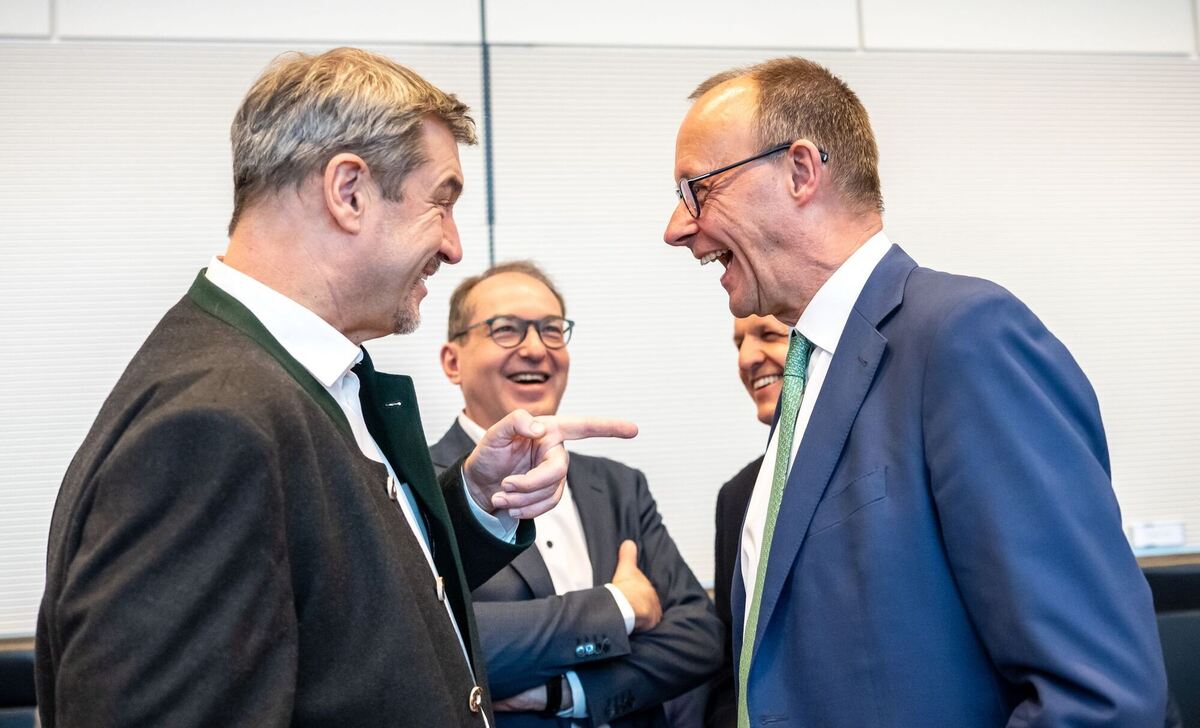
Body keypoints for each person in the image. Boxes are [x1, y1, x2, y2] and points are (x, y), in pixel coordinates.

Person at [35, 48, 635, 728]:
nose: (455, 246)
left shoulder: (297, 377)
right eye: (440, 202)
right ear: (348, 191)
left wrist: (475, 497)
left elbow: (353, 601)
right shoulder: (209, 422)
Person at [662, 56, 1167, 727]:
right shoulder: (808, 380)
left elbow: (1099, 696)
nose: (676, 227)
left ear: (800, 171)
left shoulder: (964, 338)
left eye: (698, 189)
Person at [430, 262, 723, 727]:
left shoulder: (618, 485)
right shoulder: (419, 485)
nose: (535, 349)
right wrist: (619, 607)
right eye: (505, 330)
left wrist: (567, 691)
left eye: (551, 330)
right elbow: (436, 641)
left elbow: (698, 636)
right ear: (452, 361)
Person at [705, 314, 790, 728]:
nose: (746, 358)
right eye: (738, 343)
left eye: (768, 335)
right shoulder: (738, 496)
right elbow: (730, 664)